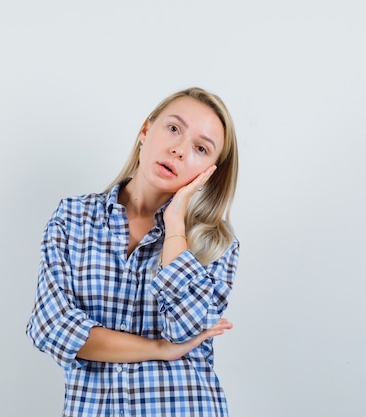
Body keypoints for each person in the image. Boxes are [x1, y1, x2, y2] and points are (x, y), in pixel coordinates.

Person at [26, 87, 240, 416]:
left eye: (200, 148)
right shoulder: (73, 219)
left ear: (210, 173)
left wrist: (175, 227)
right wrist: (160, 349)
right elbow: (51, 328)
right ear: (145, 130)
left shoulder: (216, 242)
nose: (180, 150)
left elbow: (187, 329)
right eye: (173, 129)